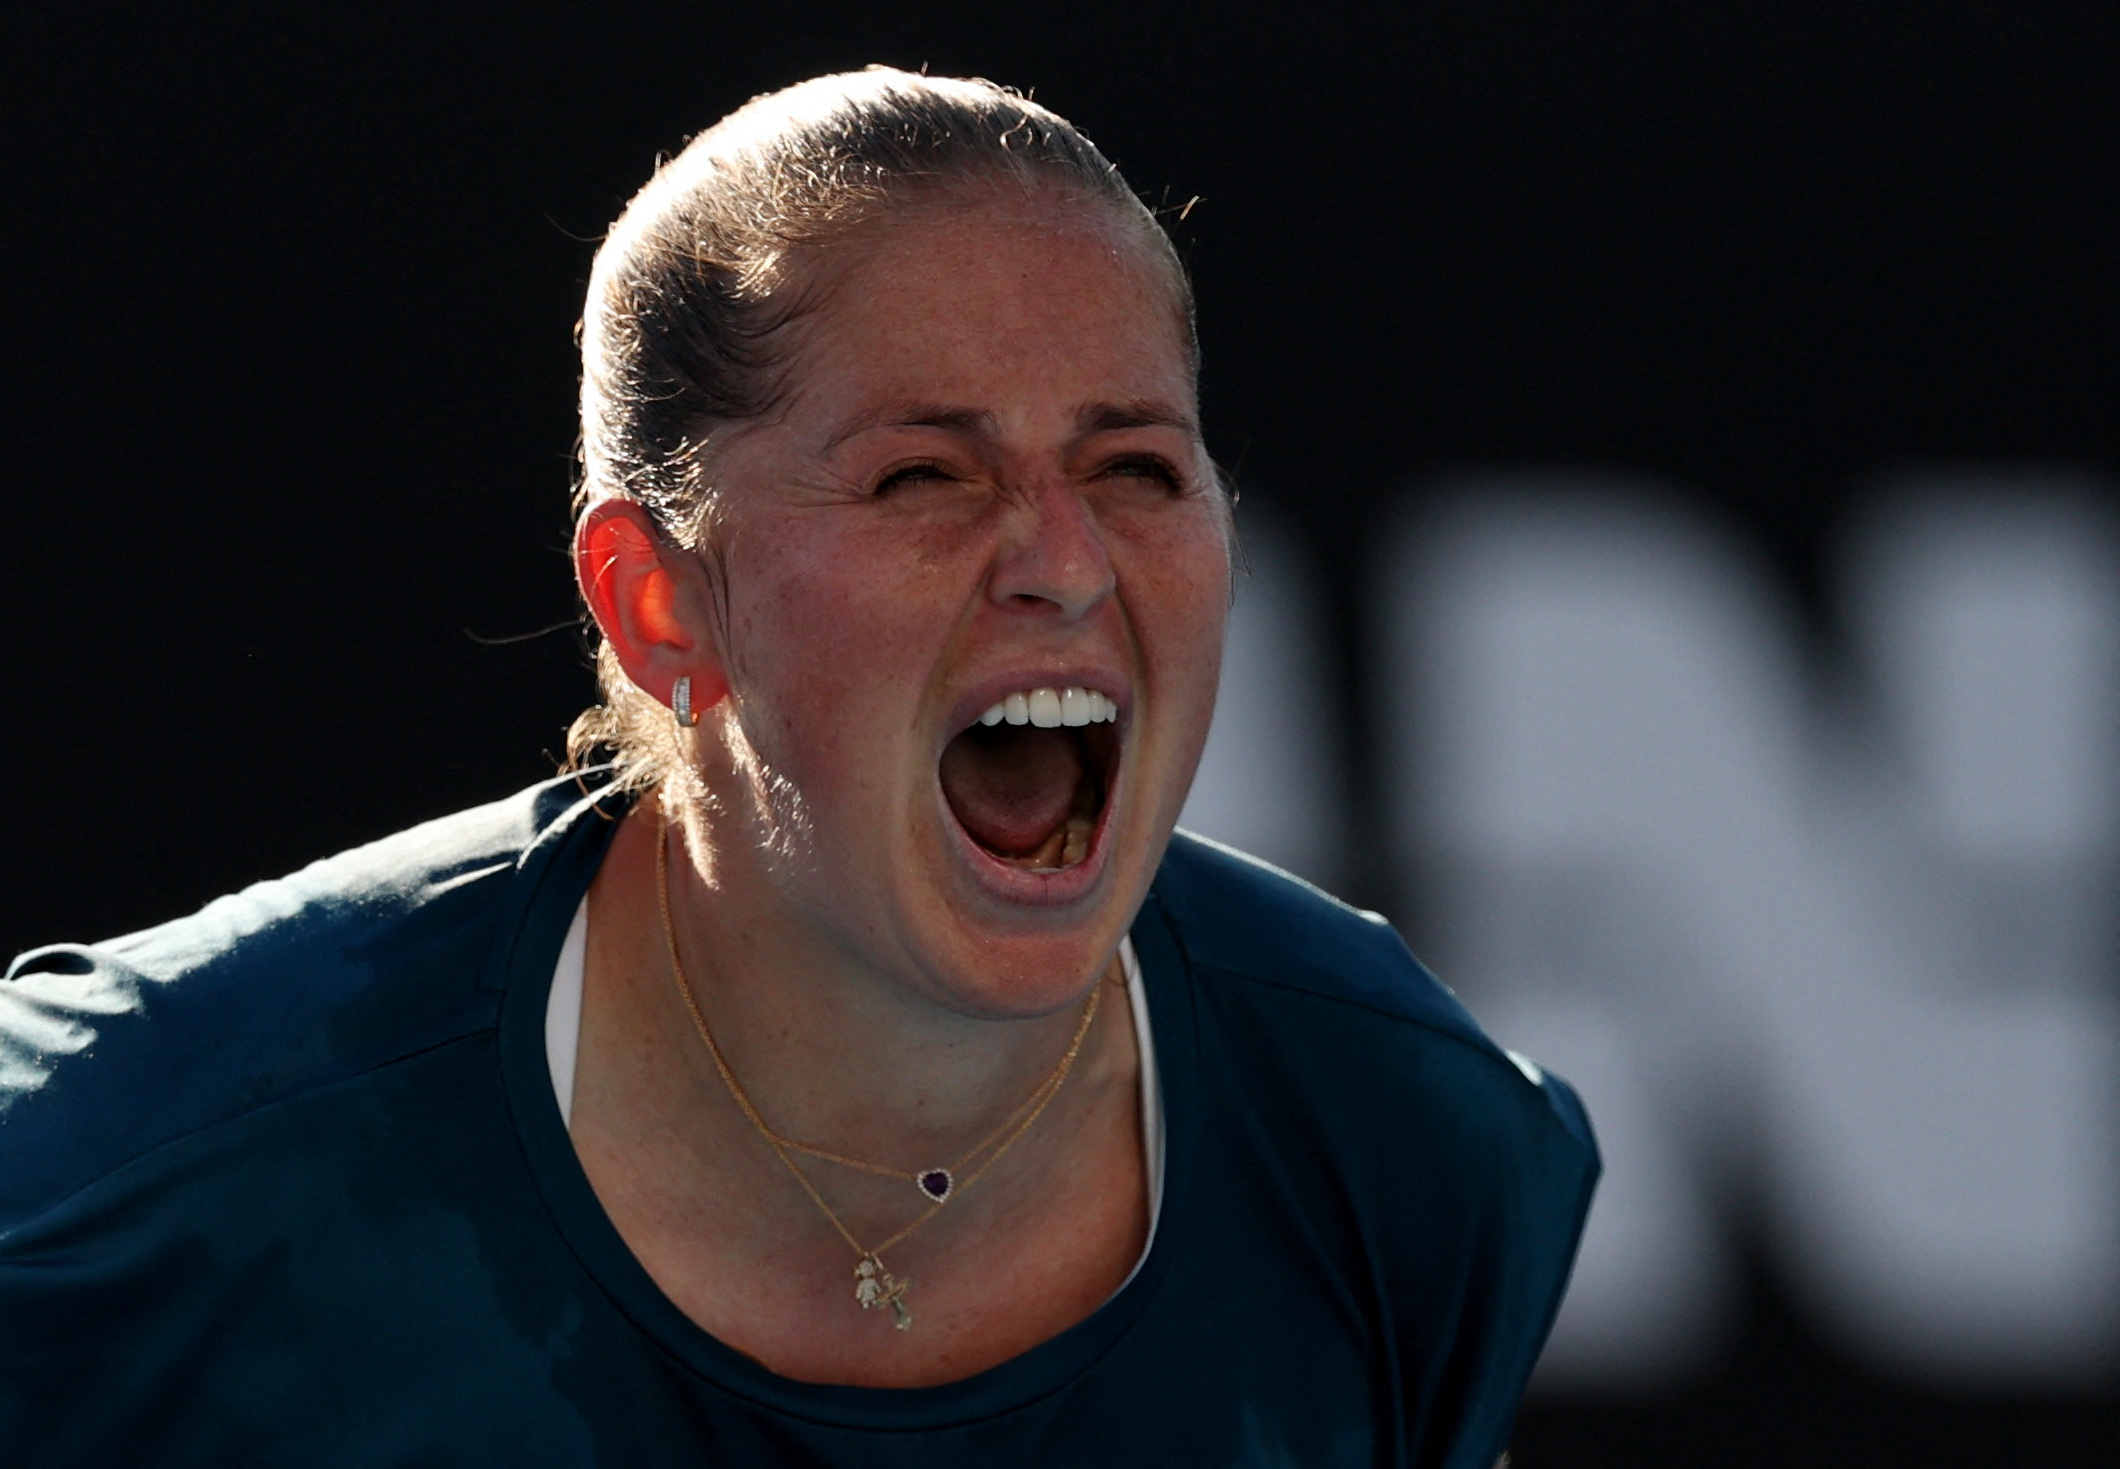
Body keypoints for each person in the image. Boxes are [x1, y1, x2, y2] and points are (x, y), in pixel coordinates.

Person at [0, 69, 1596, 1465]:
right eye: (923, 474)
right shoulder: (116, 1172)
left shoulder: (1405, 1143)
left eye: (1135, 467)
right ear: (658, 602)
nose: (1065, 558)